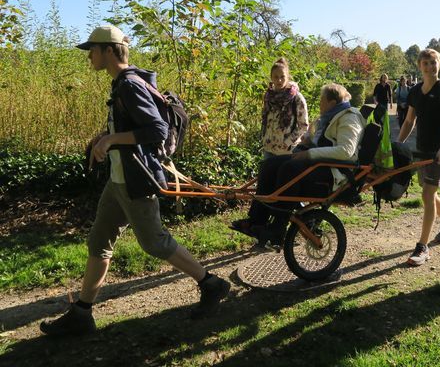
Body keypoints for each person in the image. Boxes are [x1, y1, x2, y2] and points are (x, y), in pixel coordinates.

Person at [40, 26, 230, 336]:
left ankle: (212, 284)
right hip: (118, 181)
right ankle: (82, 313)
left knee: (154, 242)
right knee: (99, 241)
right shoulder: (122, 84)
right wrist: (105, 138)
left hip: (134, 181)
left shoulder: (129, 85)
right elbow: (133, 129)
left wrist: (112, 139)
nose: (89, 55)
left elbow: (155, 131)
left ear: (110, 51)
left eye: (93, 49)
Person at [232, 83, 365, 244]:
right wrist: (306, 145)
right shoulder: (330, 117)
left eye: (322, 100)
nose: (320, 104)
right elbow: (322, 142)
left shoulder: (349, 117)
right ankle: (256, 221)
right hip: (320, 165)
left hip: (335, 174)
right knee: (269, 165)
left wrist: (309, 154)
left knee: (289, 169)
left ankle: (278, 228)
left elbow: (346, 151)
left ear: (332, 102)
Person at [398, 49, 440, 266]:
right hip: (421, 150)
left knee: (427, 194)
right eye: (425, 63)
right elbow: (408, 121)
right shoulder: (415, 91)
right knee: (430, 194)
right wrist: (398, 143)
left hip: (439, 152)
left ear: (439, 64)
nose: (429, 66)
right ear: (419, 66)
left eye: (433, 62)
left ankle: (422, 247)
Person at [261, 58, 309, 158]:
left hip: (287, 151)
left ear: (287, 77)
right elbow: (265, 118)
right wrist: (263, 137)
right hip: (268, 148)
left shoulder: (296, 98)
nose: (279, 80)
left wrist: (287, 142)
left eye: (282, 77)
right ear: (271, 78)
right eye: (276, 77)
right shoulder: (268, 96)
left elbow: (303, 126)